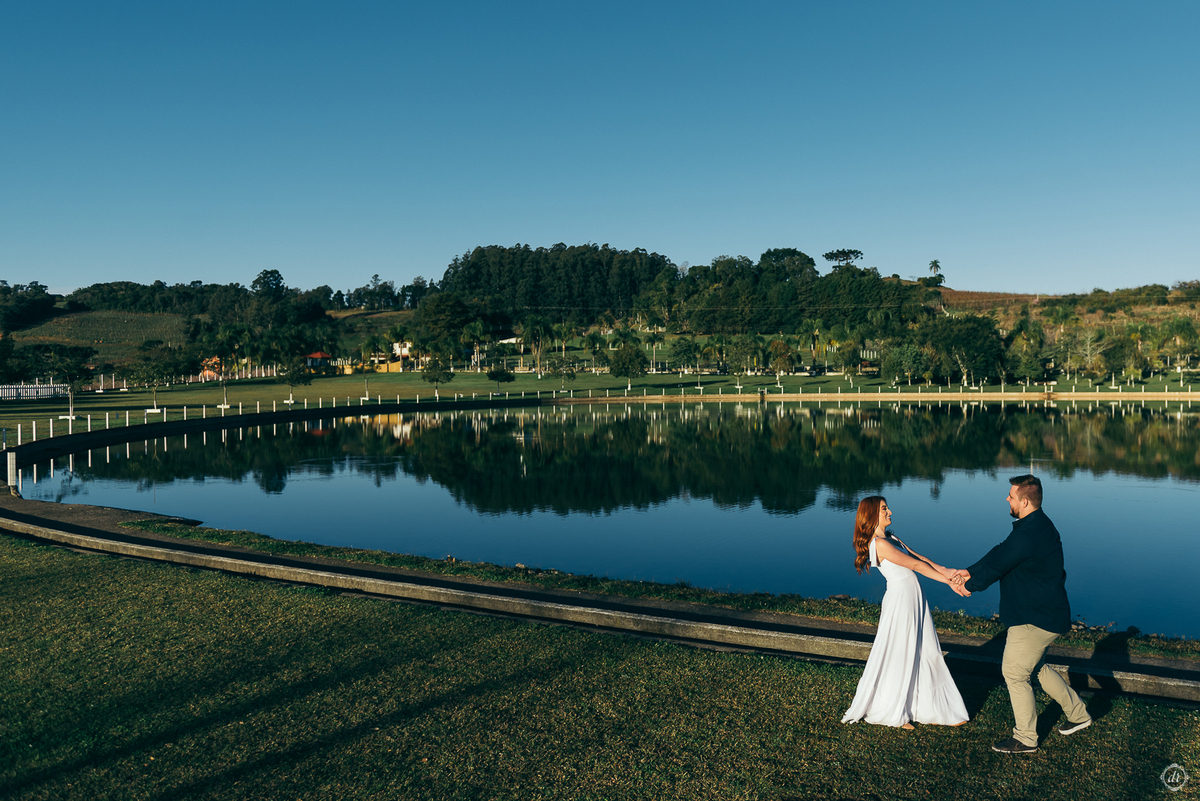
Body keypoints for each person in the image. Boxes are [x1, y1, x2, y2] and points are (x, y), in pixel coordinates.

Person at [951, 475, 1091, 754]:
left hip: (1034, 618)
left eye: (1011, 496)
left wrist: (969, 586)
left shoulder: (1029, 533)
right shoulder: (1036, 524)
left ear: (1024, 501)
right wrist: (970, 570)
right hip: (1047, 613)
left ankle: (1026, 738)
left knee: (1014, 672)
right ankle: (1078, 715)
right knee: (1036, 668)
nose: (1007, 499)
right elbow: (1001, 551)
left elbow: (999, 565)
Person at [841, 496, 970, 729]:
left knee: (926, 649)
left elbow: (918, 558)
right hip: (901, 600)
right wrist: (948, 583)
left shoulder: (890, 537)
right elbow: (916, 567)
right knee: (901, 651)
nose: (889, 511)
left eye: (887, 507)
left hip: (914, 598)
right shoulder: (879, 544)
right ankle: (892, 711)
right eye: (883, 509)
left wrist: (947, 571)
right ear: (871, 514)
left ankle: (938, 708)